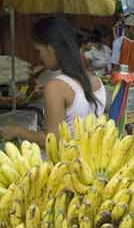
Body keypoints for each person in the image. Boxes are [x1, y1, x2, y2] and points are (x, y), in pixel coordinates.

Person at [0, 17, 106, 146]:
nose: (40, 56)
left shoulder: (56, 87)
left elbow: (53, 141)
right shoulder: (97, 79)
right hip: (93, 159)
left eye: (39, 50)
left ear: (50, 49)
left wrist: (18, 131)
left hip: (68, 162)